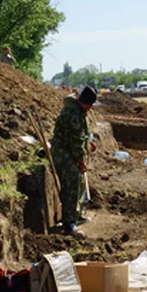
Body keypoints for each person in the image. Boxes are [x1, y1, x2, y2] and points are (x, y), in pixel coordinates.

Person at [50, 86, 97, 236]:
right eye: (90, 105)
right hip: (64, 154)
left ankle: (76, 213)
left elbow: (79, 138)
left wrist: (87, 145)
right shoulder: (75, 116)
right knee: (71, 186)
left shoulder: (78, 111)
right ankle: (69, 224)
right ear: (85, 103)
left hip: (70, 151)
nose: (90, 109)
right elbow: (75, 143)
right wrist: (81, 162)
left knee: (79, 184)